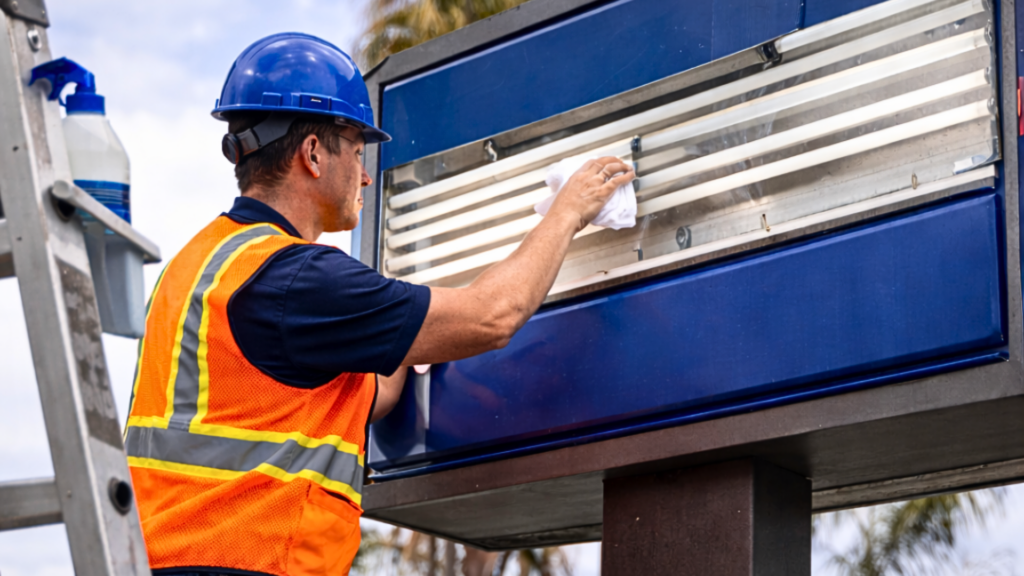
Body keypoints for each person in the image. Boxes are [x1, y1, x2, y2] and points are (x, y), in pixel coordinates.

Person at [123, 33, 634, 576]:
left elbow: (366, 392)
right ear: (314, 153)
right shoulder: (296, 277)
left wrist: (417, 329)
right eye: (358, 151)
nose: (366, 174)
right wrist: (568, 210)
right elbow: (493, 316)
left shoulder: (199, 268)